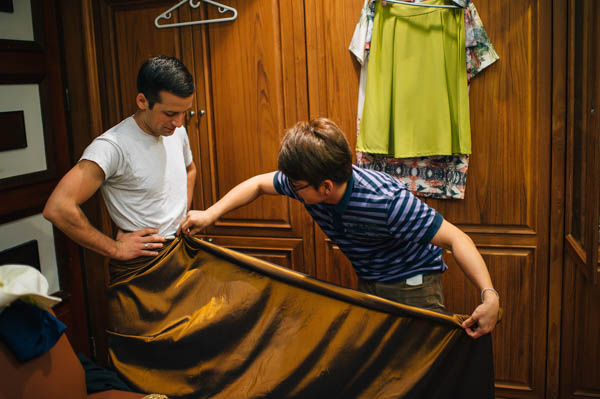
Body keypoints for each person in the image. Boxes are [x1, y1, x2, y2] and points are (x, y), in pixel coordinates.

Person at [180, 117, 499, 339]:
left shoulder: (387, 202)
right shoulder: (306, 182)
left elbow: (457, 238)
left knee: (418, 368)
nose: (289, 188)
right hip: (370, 280)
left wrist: (489, 295)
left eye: (297, 185)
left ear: (326, 187)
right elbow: (259, 184)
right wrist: (210, 214)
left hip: (413, 286)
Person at [43, 55, 196, 262]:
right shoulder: (111, 147)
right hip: (143, 262)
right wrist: (115, 249)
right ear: (142, 101)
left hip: (182, 247)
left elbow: (190, 169)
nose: (178, 122)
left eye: (184, 113)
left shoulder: (176, 131)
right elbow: (58, 207)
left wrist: (181, 215)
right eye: (170, 113)